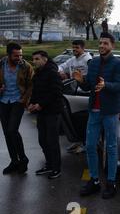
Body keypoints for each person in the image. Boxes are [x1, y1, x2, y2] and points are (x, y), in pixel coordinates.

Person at [73, 32, 120, 199]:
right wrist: (82, 81)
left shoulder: (119, 64)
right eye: (100, 43)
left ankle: (111, 183)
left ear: (112, 46)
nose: (102, 46)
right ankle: (94, 181)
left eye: (105, 43)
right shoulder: (94, 62)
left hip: (110, 112)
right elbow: (89, 85)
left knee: (110, 147)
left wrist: (106, 85)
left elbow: (118, 86)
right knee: (90, 146)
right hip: (94, 112)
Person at [29, 51, 64, 179]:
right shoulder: (39, 72)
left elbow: (56, 92)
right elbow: (35, 90)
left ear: (44, 59)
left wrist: (41, 104)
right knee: (42, 140)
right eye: (33, 59)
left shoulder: (52, 72)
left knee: (52, 141)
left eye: (37, 59)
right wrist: (32, 103)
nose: (34, 61)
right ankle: (49, 164)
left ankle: (56, 168)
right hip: (42, 112)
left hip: (52, 111)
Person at [0, 43, 34, 175]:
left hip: (18, 101)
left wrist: (25, 99)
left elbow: (31, 85)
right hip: (3, 101)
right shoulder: (1, 64)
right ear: (8, 54)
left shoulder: (26, 66)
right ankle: (14, 161)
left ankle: (23, 159)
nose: (19, 57)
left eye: (20, 54)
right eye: (16, 55)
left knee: (12, 130)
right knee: (7, 133)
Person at [58, 40, 92, 153]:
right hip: (74, 93)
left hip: (86, 93)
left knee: (83, 120)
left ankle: (85, 144)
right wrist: (61, 72)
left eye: (77, 48)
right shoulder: (72, 60)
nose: (74, 50)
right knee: (73, 119)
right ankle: (78, 141)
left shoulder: (88, 59)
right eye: (73, 48)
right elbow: (61, 66)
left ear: (83, 48)